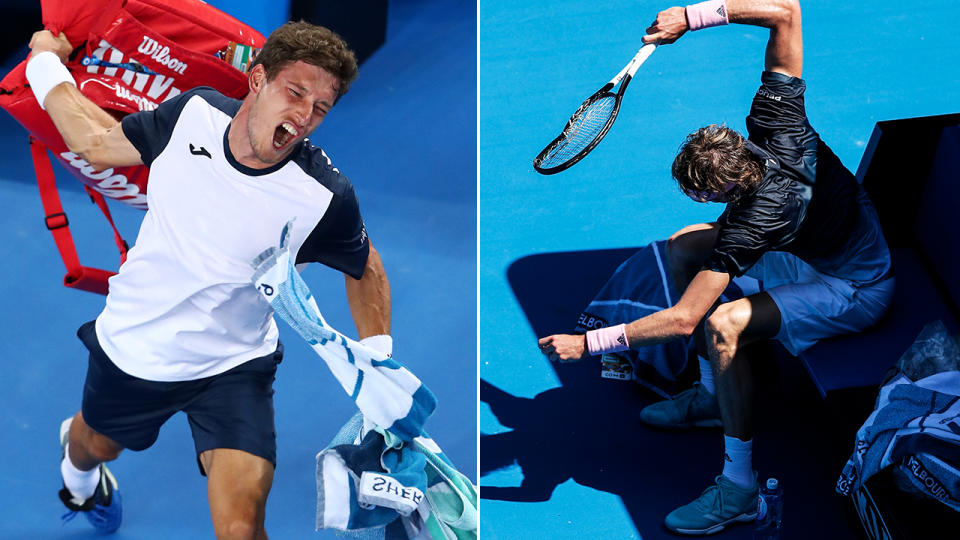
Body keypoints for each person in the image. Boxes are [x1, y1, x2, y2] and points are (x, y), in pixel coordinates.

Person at [537, 0, 894, 535]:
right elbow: (786, 12)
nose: (700, 202)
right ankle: (709, 395)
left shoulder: (752, 225)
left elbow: (683, 319)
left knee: (719, 326)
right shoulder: (776, 120)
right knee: (684, 247)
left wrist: (589, 344)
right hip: (811, 242)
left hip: (853, 284)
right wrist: (689, 15)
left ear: (727, 187)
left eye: (702, 195)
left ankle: (739, 489)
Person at [27, 21, 392, 538]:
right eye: (295, 93)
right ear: (257, 79)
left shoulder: (321, 195)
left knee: (242, 528)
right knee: (93, 447)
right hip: (137, 347)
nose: (305, 117)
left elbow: (366, 264)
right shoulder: (192, 115)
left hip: (235, 366)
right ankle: (79, 481)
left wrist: (377, 363)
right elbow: (96, 142)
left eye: (320, 109)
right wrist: (44, 62)